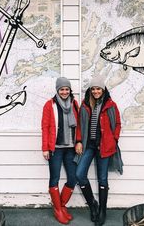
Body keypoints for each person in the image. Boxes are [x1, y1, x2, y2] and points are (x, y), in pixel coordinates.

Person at [75, 75, 121, 226]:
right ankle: (93, 204)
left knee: (102, 179)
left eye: (98, 89)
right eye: (93, 89)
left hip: (104, 146)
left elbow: (118, 124)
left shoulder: (110, 105)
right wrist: (79, 141)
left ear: (103, 89)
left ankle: (102, 210)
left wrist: (114, 140)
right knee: (80, 174)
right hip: (89, 146)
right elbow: (80, 126)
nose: (95, 91)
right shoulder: (85, 105)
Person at [42, 77, 79, 224]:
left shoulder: (74, 104)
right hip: (55, 149)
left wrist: (79, 142)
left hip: (70, 148)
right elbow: (45, 128)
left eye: (67, 89)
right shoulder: (49, 105)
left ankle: (61, 205)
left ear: (70, 90)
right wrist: (45, 148)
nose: (64, 92)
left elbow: (79, 125)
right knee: (54, 178)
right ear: (57, 90)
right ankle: (58, 210)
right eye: (62, 89)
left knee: (73, 178)